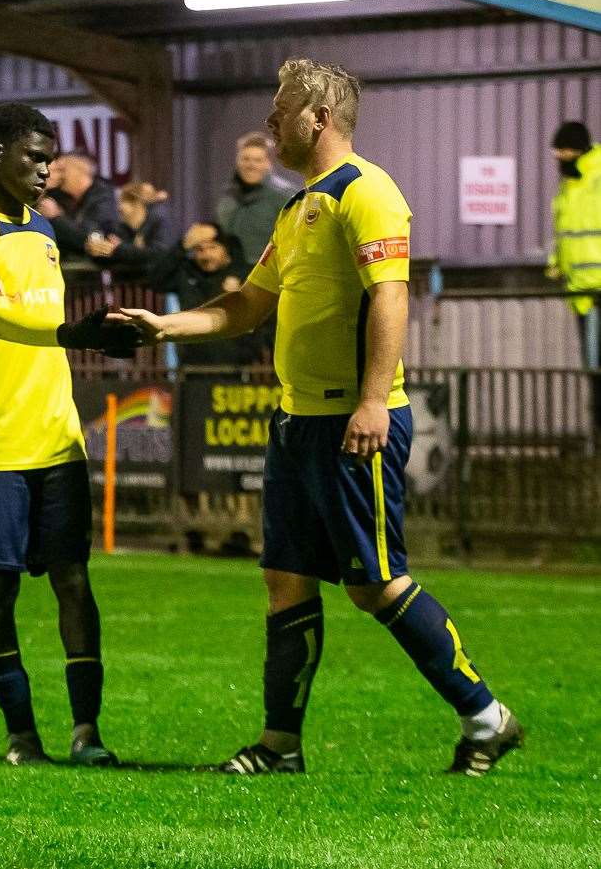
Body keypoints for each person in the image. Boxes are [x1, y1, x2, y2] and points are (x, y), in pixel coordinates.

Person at [114, 59, 522, 777]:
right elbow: (246, 304)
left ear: (317, 117)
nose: (271, 123)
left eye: (280, 110)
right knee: (285, 578)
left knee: (375, 583)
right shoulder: (296, 207)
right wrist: (164, 327)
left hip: (348, 422)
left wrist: (371, 398)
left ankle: (487, 716)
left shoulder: (366, 192)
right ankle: (279, 745)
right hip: (295, 423)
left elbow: (390, 296)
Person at [0, 102, 141, 767]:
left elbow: (45, 324)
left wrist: (98, 339)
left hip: (58, 438)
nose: (46, 169)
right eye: (33, 157)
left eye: (50, 158)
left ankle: (87, 731)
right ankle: (21, 734)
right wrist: (70, 333)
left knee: (73, 580)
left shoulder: (47, 233)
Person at [120, 222, 263, 368]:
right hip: (192, 366)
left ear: (225, 250)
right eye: (199, 249)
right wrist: (182, 246)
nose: (206, 255)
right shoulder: (187, 272)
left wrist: (235, 274)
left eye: (212, 248)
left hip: (236, 366)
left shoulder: (240, 274)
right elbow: (155, 278)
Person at [547, 121, 601, 431]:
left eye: (562, 152)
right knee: (592, 374)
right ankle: (595, 444)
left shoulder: (595, 177)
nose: (558, 159)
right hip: (582, 294)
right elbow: (565, 232)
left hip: (596, 292)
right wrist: (556, 263)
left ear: (576, 150)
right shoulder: (570, 185)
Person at [36, 151, 118, 292]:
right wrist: (42, 188)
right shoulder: (56, 194)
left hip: (85, 288)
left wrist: (56, 217)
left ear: (80, 172)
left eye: (62, 170)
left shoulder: (102, 197)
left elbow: (92, 238)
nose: (58, 176)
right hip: (56, 282)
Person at [216, 131, 296, 266]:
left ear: (268, 163)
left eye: (257, 160)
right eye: (245, 159)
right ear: (238, 161)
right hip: (233, 275)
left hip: (272, 276)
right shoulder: (228, 195)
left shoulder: (286, 195)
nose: (251, 165)